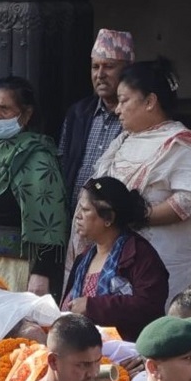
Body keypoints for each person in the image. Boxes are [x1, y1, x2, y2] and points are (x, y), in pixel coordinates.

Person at [95, 57, 191, 304]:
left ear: (150, 101)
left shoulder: (182, 142)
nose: (117, 109)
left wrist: (139, 214)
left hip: (162, 258)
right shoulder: (122, 142)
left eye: (123, 101)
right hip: (115, 253)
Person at [0, 76, 68, 297]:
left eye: (5, 109)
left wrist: (42, 271)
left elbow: (51, 218)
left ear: (26, 114)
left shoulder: (37, 155)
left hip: (12, 261)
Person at [59, 28, 135, 272]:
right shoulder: (79, 113)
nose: (100, 75)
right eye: (95, 67)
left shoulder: (135, 119)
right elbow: (64, 168)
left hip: (114, 230)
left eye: (109, 67)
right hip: (76, 227)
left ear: (127, 69)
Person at [61, 176, 169, 340]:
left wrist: (92, 307)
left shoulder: (140, 256)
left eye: (86, 210)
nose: (78, 216)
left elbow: (149, 306)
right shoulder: (84, 258)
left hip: (127, 353)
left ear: (108, 218)